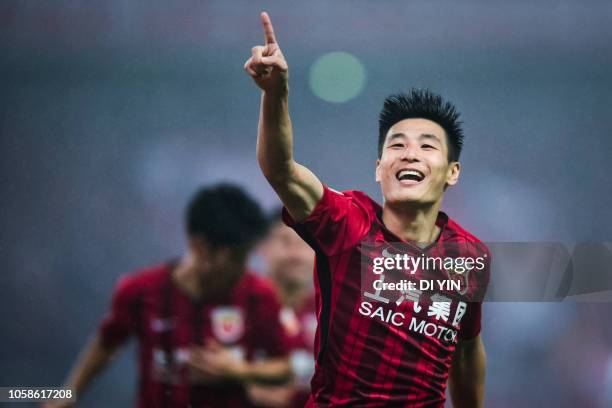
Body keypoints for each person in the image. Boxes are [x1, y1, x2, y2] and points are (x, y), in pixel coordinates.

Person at [244, 12, 490, 408]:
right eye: (396, 145)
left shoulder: (469, 256)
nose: (410, 152)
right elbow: (281, 171)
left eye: (428, 146)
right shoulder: (348, 222)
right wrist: (276, 95)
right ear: (379, 168)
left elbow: (466, 349)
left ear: (452, 172)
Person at [45, 183, 291, 408]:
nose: (244, 268)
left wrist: (240, 371)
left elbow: (283, 368)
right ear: (200, 247)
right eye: (236, 258)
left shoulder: (259, 294)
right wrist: (67, 396)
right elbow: (106, 344)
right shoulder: (140, 291)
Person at [247, 209, 317, 407]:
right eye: (285, 242)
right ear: (261, 247)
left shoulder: (332, 311)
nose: (296, 254)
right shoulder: (243, 306)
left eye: (305, 243)